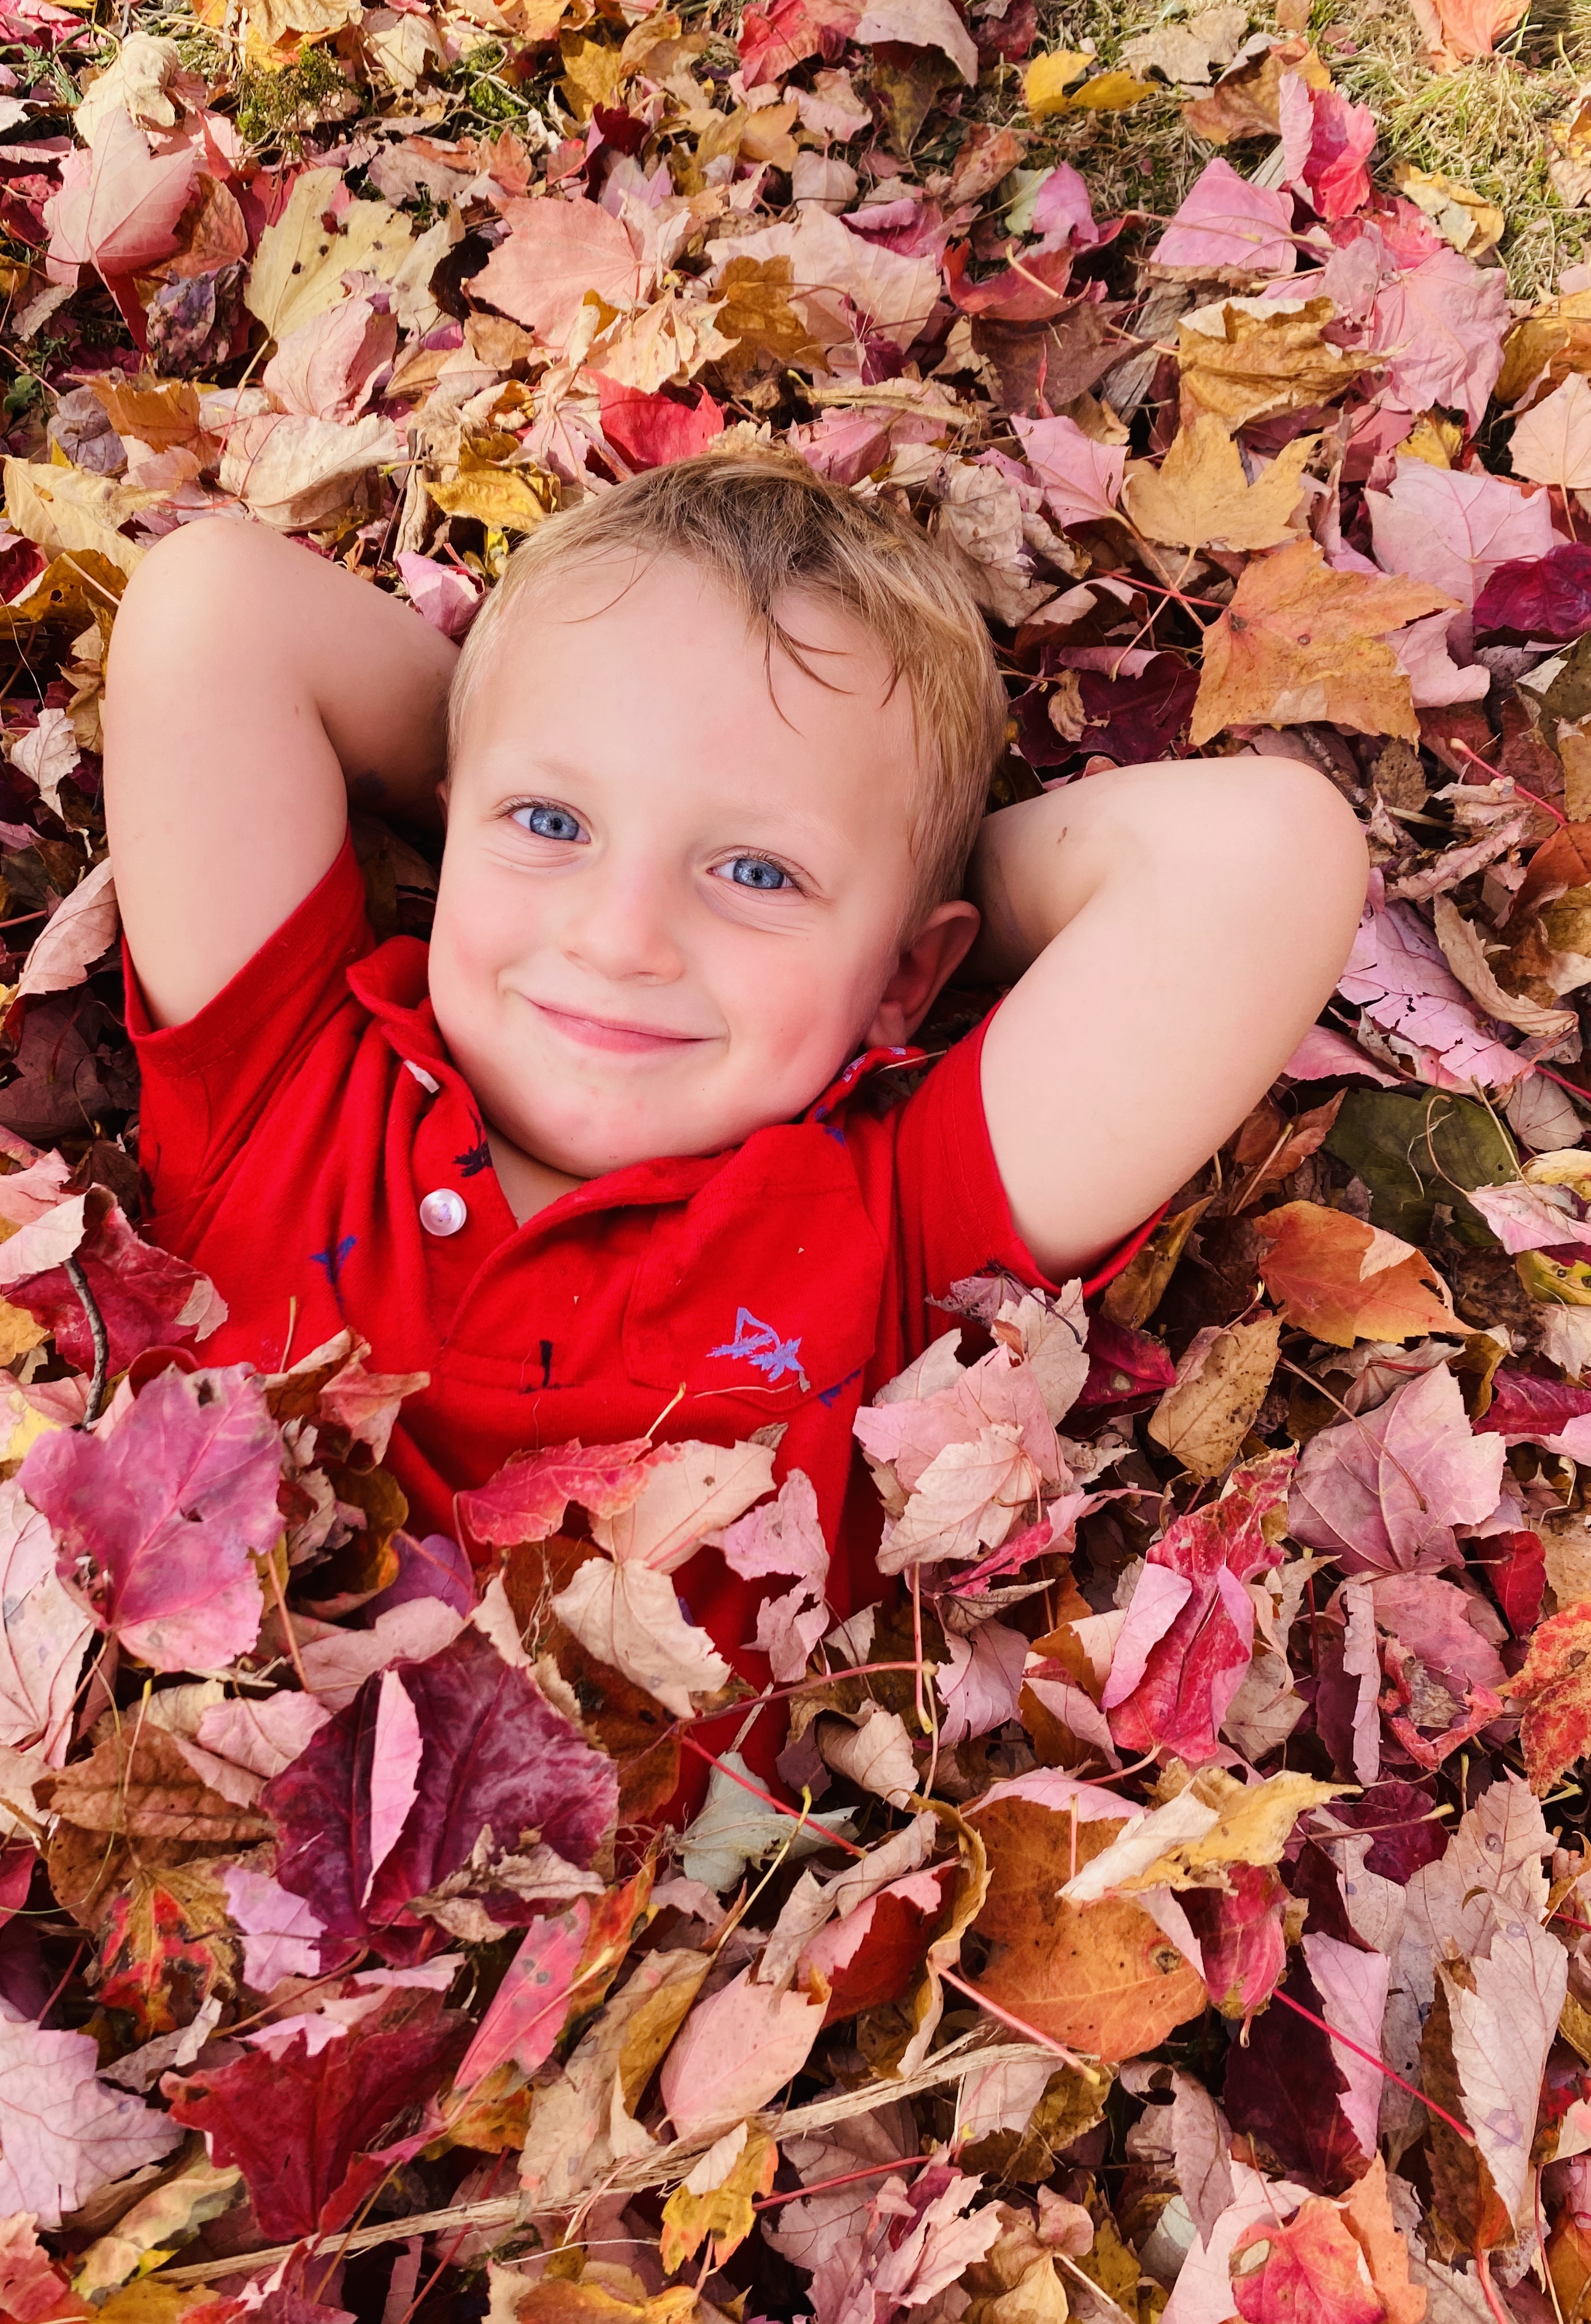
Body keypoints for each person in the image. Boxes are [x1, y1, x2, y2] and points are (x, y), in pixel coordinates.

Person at [103, 452, 1366, 1699]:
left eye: (759, 874)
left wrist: (904, 877)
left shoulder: (895, 1231)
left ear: (906, 982)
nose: (618, 937)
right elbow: (214, 602)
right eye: (550, 824)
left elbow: (1266, 853)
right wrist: (523, 744)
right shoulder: (285, 1081)